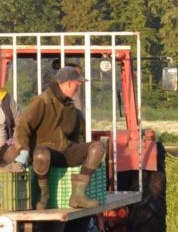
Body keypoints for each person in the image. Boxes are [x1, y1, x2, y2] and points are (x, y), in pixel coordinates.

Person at [10, 65, 107, 209]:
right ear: (69, 83)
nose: (78, 87)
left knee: (98, 147)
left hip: (66, 150)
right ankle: (43, 195)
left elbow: (77, 137)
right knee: (42, 154)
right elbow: (23, 127)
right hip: (44, 152)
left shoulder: (71, 106)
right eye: (77, 84)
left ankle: (78, 196)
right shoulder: (42, 101)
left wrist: (88, 158)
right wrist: (24, 151)